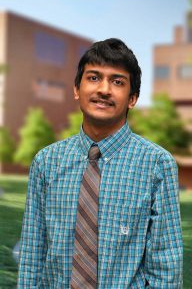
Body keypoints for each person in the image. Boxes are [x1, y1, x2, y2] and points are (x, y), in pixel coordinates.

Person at [18, 38, 183, 288]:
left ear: (132, 98)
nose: (104, 89)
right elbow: (32, 254)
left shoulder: (157, 165)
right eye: (94, 77)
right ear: (77, 89)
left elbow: (166, 266)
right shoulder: (46, 162)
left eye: (118, 82)